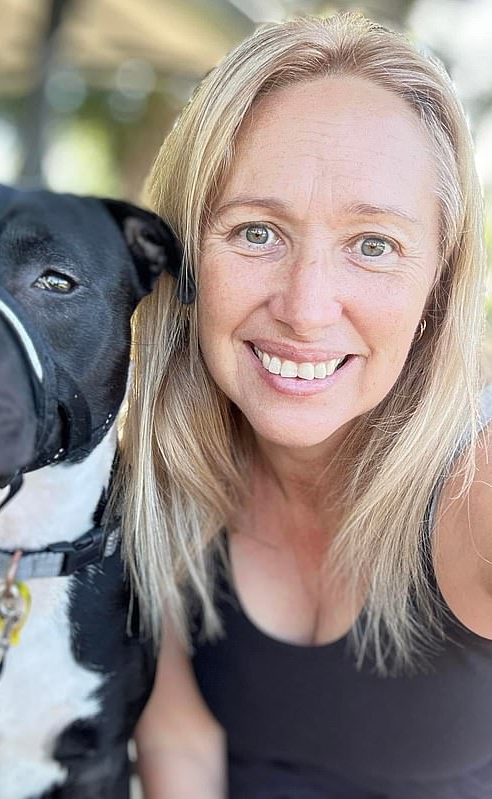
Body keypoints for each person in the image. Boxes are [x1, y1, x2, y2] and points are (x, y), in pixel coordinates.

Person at [117, 12, 492, 798]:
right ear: (184, 261)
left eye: (373, 244)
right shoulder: (153, 483)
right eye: (257, 232)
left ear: (438, 284)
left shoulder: (477, 490)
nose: (306, 307)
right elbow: (179, 740)